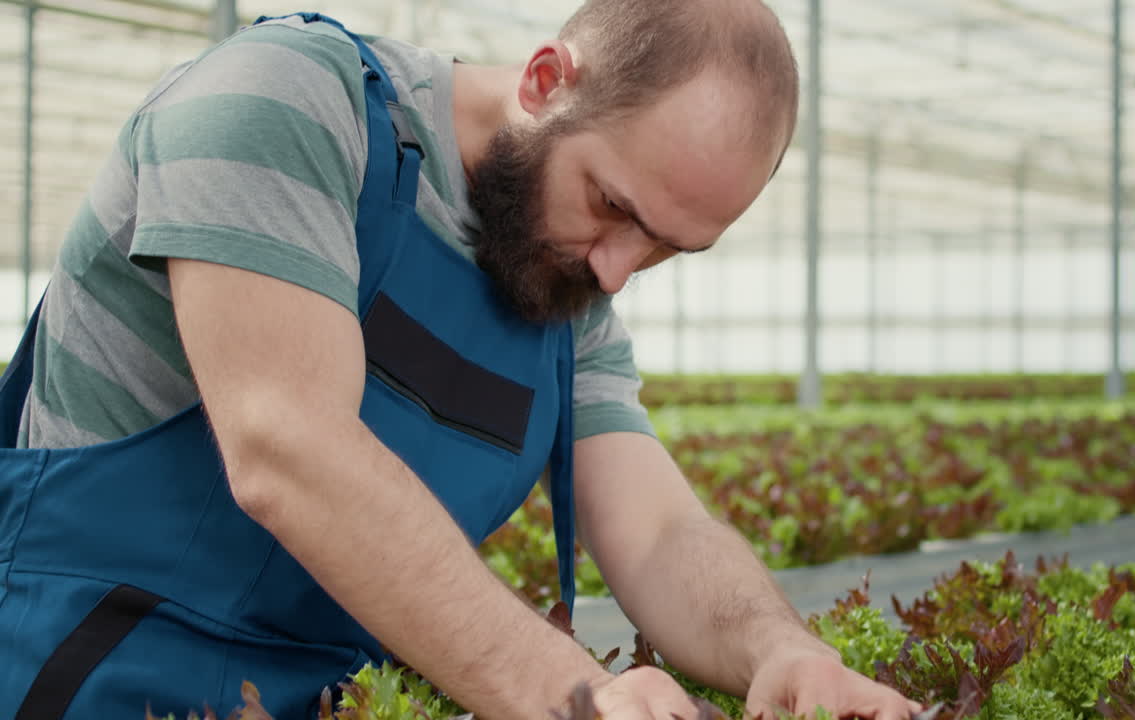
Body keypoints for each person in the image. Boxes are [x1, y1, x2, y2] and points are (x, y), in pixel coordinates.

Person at [0, 1, 924, 719]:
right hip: (85, 678)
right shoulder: (280, 102)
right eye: (615, 206)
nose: (618, 270)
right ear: (546, 80)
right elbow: (289, 451)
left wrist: (778, 649)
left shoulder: (565, 281)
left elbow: (654, 532)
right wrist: (571, 690)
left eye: (669, 249)